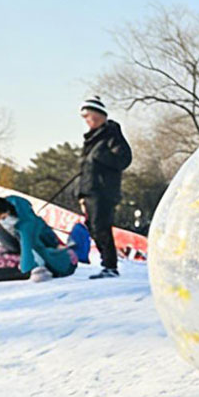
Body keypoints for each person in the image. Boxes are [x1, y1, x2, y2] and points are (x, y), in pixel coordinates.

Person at [76, 97, 132, 279]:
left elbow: (124, 159)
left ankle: (110, 266)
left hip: (104, 191)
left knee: (101, 227)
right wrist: (80, 194)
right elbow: (85, 169)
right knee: (92, 227)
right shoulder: (91, 140)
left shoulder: (111, 134)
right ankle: (106, 263)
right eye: (84, 117)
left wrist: (102, 156)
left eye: (89, 116)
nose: (87, 120)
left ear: (100, 116)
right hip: (89, 191)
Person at [0, 191, 76, 281]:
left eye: (2, 218)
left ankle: (41, 263)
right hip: (16, 241)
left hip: (40, 241)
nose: (1, 222)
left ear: (7, 212)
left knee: (35, 248)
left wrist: (28, 267)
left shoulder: (26, 222)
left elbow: (28, 243)